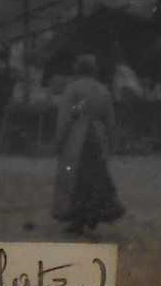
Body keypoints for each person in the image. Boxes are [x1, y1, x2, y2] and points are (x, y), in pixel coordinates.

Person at [53, 53, 125, 235]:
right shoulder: (102, 90)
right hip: (97, 136)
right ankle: (92, 214)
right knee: (96, 177)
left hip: (77, 135)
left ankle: (78, 219)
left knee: (77, 178)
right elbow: (110, 119)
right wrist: (111, 141)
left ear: (78, 69)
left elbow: (66, 117)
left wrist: (59, 139)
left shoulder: (73, 89)